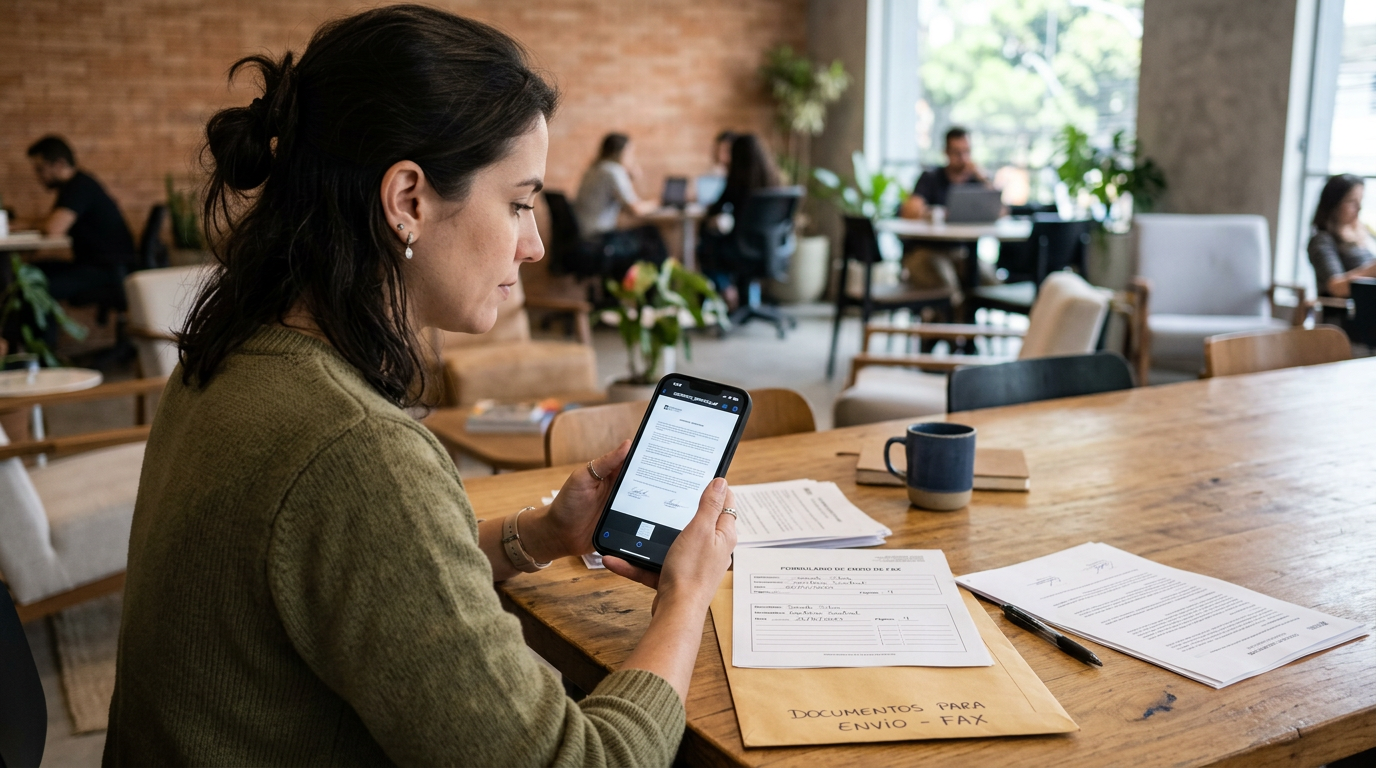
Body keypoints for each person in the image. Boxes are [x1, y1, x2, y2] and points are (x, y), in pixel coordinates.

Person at [103, 6, 736, 767]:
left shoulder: (231, 354)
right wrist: (685, 597)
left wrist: (538, 536)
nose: (534, 245)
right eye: (518, 202)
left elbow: (361, 578)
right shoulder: (357, 452)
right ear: (408, 199)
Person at [26, 135, 136, 304]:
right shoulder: (73, 186)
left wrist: (23, 225)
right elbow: (53, 222)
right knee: (31, 271)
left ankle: (37, 331)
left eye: (41, 169)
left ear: (60, 164)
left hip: (107, 270)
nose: (38, 176)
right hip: (95, 265)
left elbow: (53, 228)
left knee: (34, 285)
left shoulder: (79, 187)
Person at [697, 133, 781, 297]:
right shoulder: (774, 182)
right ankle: (740, 296)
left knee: (706, 240)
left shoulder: (736, 182)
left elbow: (713, 211)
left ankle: (725, 289)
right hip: (770, 249)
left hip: (742, 250)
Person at [573, 133, 666, 275]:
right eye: (630, 152)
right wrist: (658, 202)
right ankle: (657, 290)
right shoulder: (613, 171)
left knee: (644, 235)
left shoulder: (594, 169)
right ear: (621, 152)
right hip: (600, 238)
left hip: (584, 236)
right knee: (651, 235)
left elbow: (624, 206)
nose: (632, 157)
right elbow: (635, 209)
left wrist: (630, 178)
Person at [1308, 173, 1376, 301]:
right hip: (1345, 314)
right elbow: (1335, 287)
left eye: (1360, 201)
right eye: (1352, 201)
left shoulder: (1362, 236)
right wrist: (1372, 270)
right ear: (1334, 204)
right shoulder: (1322, 240)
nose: (1359, 208)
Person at [899, 126, 990, 220]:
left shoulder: (978, 180)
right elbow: (909, 211)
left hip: (971, 234)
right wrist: (937, 214)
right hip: (935, 234)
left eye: (966, 151)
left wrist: (984, 179)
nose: (963, 158)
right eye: (957, 153)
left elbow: (1000, 210)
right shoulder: (930, 177)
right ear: (946, 152)